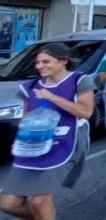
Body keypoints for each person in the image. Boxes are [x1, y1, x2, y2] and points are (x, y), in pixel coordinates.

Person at [0, 44, 95, 220]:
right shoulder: (30, 86)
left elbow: (85, 112)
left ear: (63, 61)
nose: (40, 66)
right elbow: (26, 117)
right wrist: (21, 138)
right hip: (33, 145)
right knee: (8, 204)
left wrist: (52, 97)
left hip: (66, 143)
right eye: (37, 62)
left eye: (46, 61)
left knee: (39, 201)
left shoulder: (80, 81)